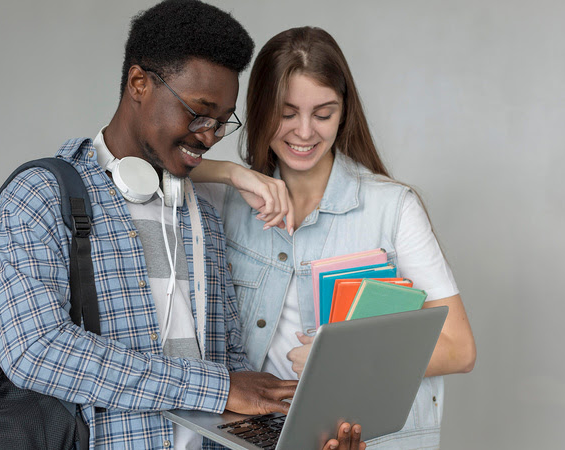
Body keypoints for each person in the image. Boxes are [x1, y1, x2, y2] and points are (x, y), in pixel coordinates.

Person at [0, 2, 363, 449]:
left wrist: (294, 437)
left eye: (222, 122)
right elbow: (36, 352)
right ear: (139, 83)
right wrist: (217, 387)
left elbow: (232, 364)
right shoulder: (39, 197)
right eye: (198, 112)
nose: (208, 136)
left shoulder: (200, 212)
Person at [192, 26, 476, 449]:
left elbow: (459, 349)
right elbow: (146, 165)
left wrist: (342, 364)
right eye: (287, 113)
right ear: (260, 109)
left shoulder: (392, 208)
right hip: (260, 436)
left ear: (344, 113)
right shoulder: (225, 200)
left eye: (323, 114)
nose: (304, 133)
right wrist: (232, 172)